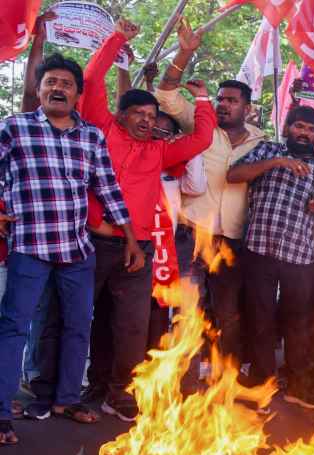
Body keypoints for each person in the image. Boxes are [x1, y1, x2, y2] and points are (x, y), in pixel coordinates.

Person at [79, 19, 215, 422]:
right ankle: (92, 384)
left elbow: (201, 140)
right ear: (120, 115)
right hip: (90, 243)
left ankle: (121, 391)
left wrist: (204, 100)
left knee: (132, 326)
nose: (145, 119)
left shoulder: (159, 151)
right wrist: (117, 38)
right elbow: (90, 77)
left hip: (139, 252)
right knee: (86, 319)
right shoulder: (102, 130)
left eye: (150, 114)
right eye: (137, 112)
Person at [0, 53, 139, 444]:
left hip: (77, 250)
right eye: (51, 82)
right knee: (14, 326)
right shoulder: (15, 128)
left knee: (79, 327)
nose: (58, 88)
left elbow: (108, 188)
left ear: (78, 93)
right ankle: (0, 412)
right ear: (39, 89)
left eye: (66, 83)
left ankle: (66, 400)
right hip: (29, 245)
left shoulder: (91, 135)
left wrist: (131, 239)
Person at [155, 19, 266, 378]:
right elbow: (166, 95)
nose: (223, 105)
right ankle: (183, 384)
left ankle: (225, 382)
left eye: (232, 101)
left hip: (231, 239)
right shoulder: (201, 125)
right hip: (190, 233)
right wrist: (184, 53)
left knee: (230, 314)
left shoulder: (261, 141)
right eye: (220, 99)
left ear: (247, 108)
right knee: (188, 310)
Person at [227, 105, 314, 408]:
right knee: (259, 318)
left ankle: (297, 384)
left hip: (299, 255)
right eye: (299, 126)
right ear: (288, 127)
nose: (305, 133)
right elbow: (233, 175)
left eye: (312, 130)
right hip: (259, 248)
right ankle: (262, 381)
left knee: (297, 322)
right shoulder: (267, 150)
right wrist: (278, 162)